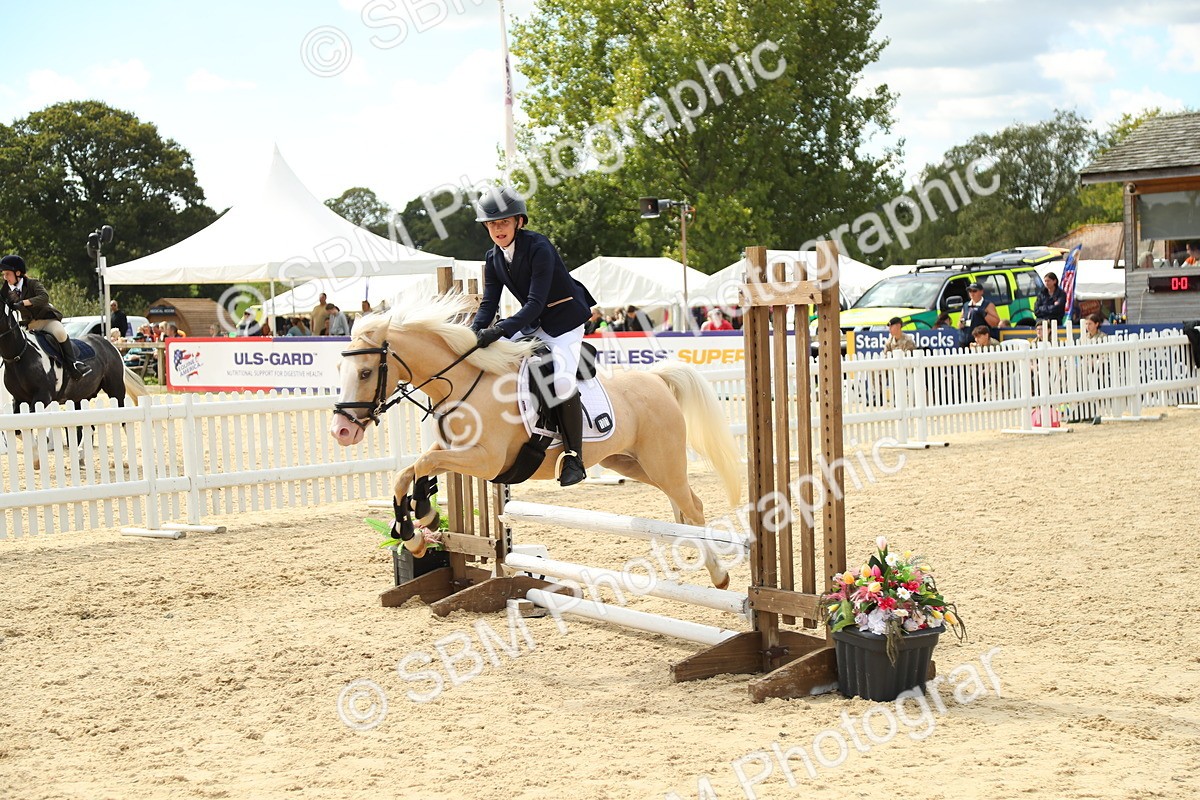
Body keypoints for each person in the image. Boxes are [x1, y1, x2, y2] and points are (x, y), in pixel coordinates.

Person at [470, 186, 596, 486]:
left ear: (519, 221)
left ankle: (574, 458)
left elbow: (535, 303)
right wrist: (472, 334)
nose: (497, 229)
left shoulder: (539, 247)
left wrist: (500, 330)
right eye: (491, 224)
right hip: (532, 323)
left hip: (564, 322)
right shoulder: (493, 258)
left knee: (561, 381)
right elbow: (489, 304)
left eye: (503, 222)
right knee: (491, 356)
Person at [0, 254, 91, 379]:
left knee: (60, 333)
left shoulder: (32, 283)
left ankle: (74, 364)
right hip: (29, 325)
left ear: (18, 273)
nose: (5, 277)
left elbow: (44, 297)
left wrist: (23, 303)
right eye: (3, 274)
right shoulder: (7, 289)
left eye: (7, 274)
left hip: (46, 320)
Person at [958, 282, 999, 347]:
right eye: (970, 291)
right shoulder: (966, 305)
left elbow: (995, 323)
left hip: (979, 342)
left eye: (974, 291)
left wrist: (984, 314)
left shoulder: (987, 305)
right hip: (965, 341)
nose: (972, 293)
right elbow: (959, 323)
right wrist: (963, 322)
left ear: (981, 292)